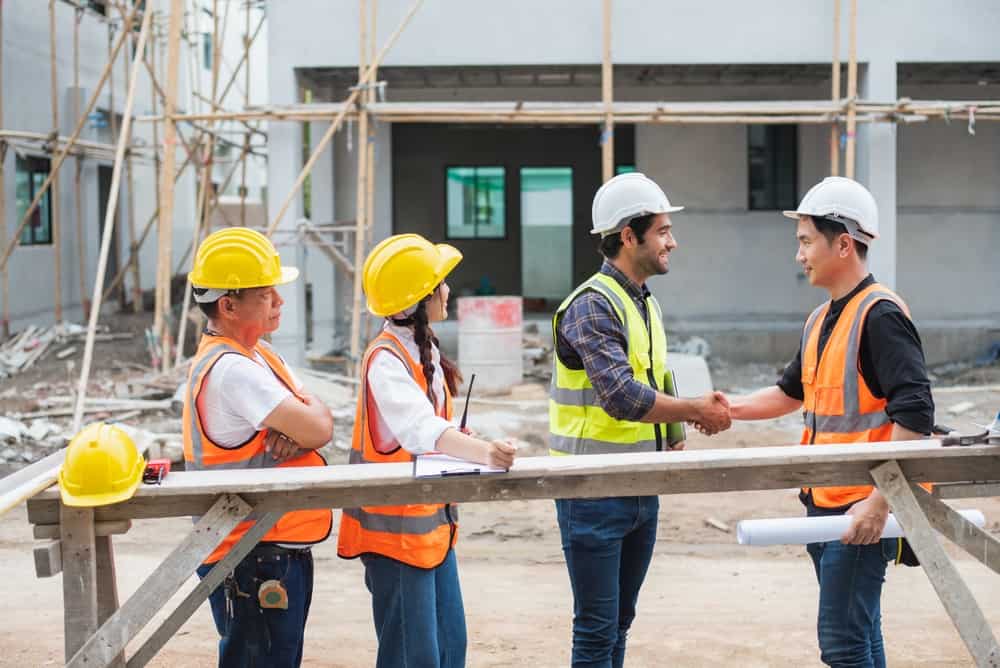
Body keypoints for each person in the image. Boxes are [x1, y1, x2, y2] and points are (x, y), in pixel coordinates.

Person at [727, 177, 934, 668]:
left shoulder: (879, 315)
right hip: (825, 504)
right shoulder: (821, 318)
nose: (799, 255)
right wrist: (720, 409)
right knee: (861, 635)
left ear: (843, 243)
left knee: (842, 645)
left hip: (860, 509)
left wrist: (878, 504)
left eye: (805, 242)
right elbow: (788, 393)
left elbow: (916, 414)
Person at [550, 172, 731, 668]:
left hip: (638, 489)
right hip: (591, 494)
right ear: (629, 235)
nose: (673, 241)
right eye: (663, 231)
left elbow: (653, 377)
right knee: (595, 630)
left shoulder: (643, 302)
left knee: (618, 625)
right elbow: (622, 396)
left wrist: (671, 433)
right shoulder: (592, 305)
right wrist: (696, 410)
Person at [337, 233, 517, 668]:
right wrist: (482, 452)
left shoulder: (422, 348)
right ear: (418, 298)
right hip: (395, 537)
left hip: (430, 530)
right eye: (440, 283)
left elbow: (432, 426)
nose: (448, 290)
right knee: (412, 658)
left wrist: (464, 439)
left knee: (448, 650)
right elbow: (420, 430)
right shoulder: (386, 359)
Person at [182, 227, 335, 668]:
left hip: (268, 548)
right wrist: (305, 419)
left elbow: (319, 420)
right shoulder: (234, 370)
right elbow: (319, 428)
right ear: (228, 305)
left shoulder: (260, 355)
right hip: (249, 553)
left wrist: (307, 418)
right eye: (267, 295)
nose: (280, 301)